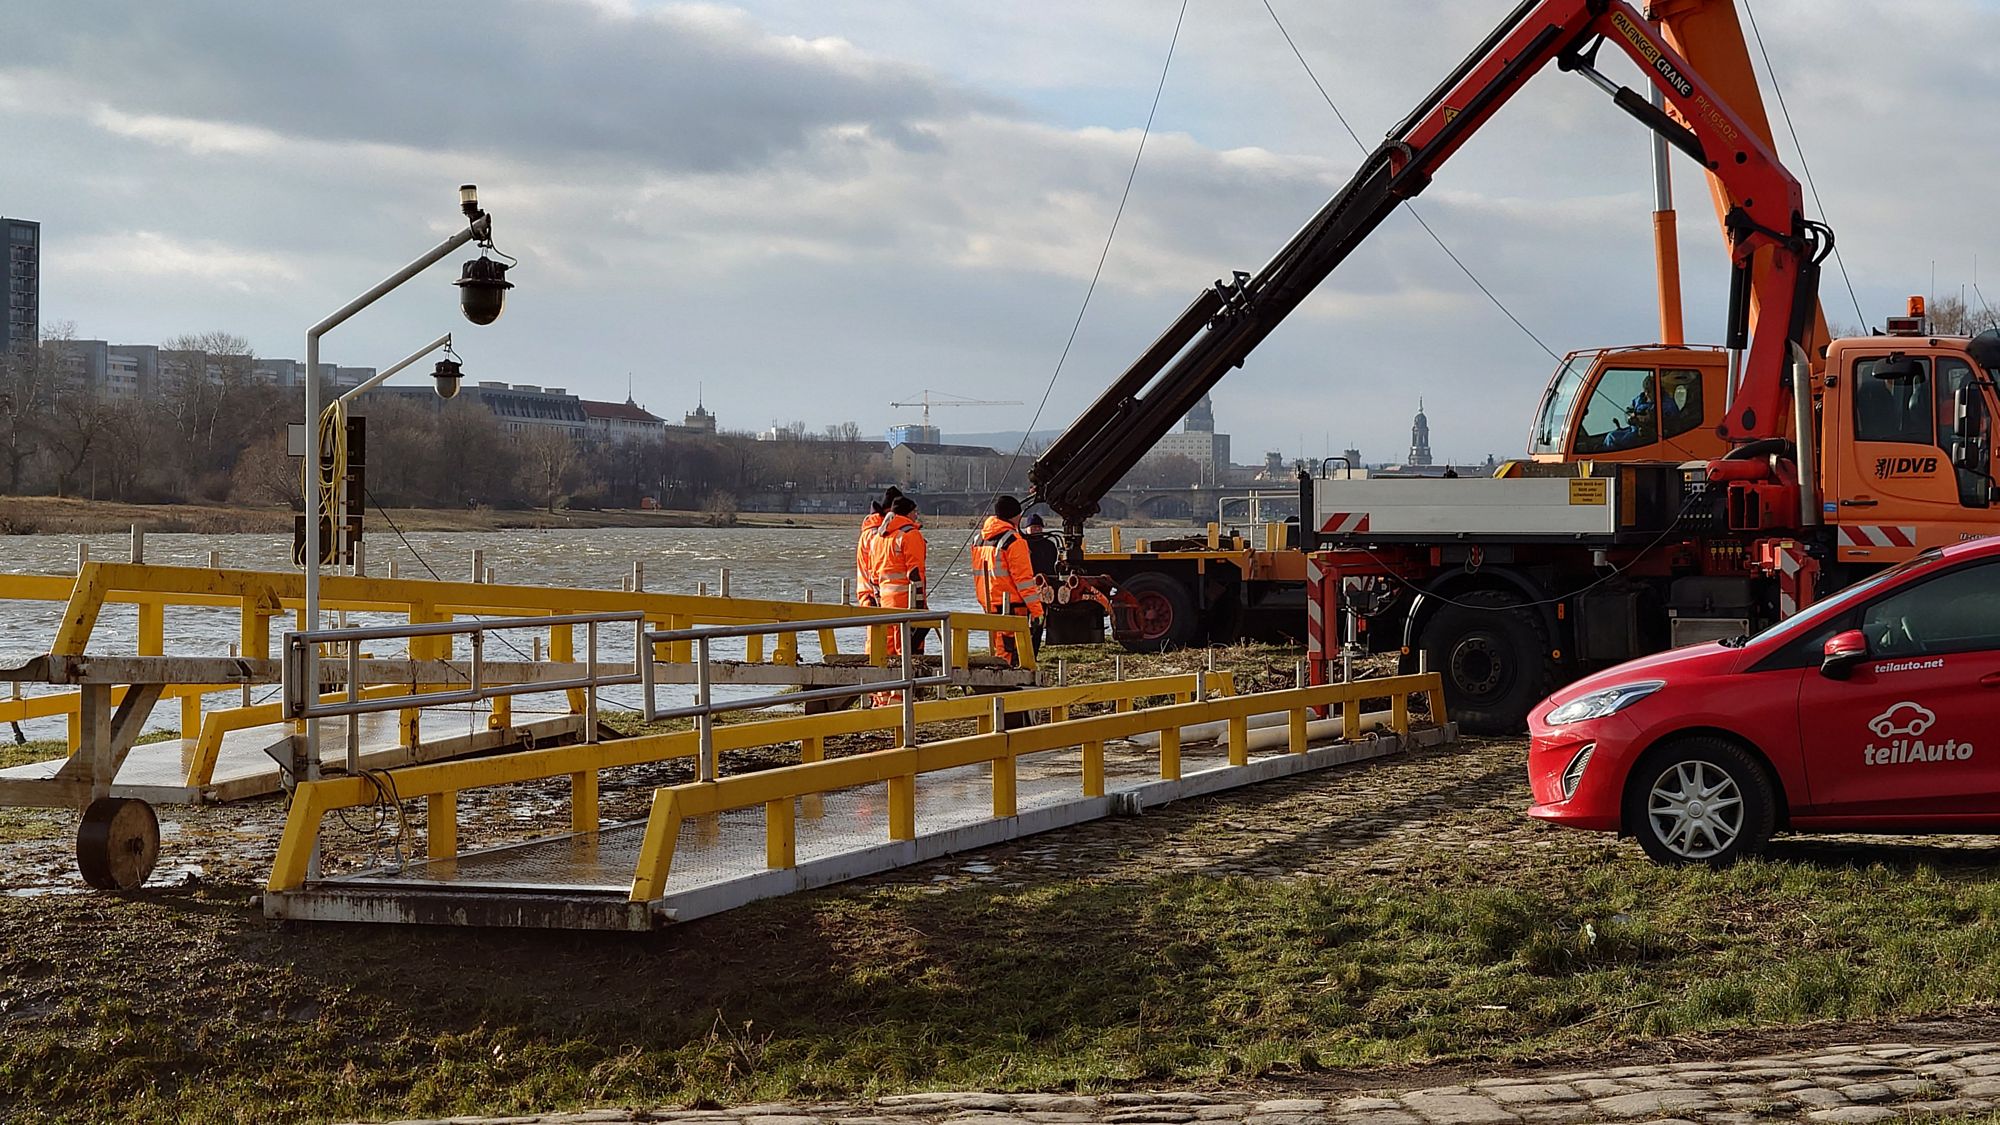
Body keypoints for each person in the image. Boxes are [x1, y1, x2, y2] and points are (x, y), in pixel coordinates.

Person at [972, 495, 1044, 667]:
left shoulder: (979, 539)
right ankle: (1005, 687)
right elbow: (1024, 580)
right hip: (1011, 605)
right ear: (1016, 516)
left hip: (988, 602)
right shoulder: (1013, 541)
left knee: (999, 646)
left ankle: (998, 681)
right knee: (1009, 653)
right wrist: (1037, 611)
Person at [868, 494, 927, 658]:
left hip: (885, 600)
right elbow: (915, 572)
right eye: (915, 511)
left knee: (889, 650)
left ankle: (889, 679)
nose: (916, 515)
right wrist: (920, 602)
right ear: (908, 513)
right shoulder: (910, 535)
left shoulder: (878, 538)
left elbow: (873, 572)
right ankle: (911, 679)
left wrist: (878, 597)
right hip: (905, 600)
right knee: (910, 648)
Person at [1021, 513, 1060, 652]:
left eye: (1039, 527)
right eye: (1033, 527)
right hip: (1024, 590)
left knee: (1039, 622)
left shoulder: (1049, 545)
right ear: (1026, 529)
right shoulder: (1022, 545)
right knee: (1022, 622)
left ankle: (1034, 651)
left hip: (1044, 588)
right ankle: (1021, 651)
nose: (1037, 530)